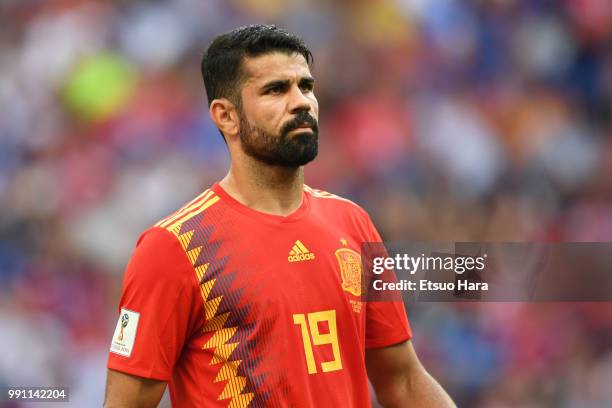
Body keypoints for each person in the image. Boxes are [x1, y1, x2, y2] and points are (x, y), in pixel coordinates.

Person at [104, 24, 455, 408]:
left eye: (305, 86)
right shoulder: (173, 247)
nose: (301, 101)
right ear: (226, 116)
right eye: (276, 90)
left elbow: (403, 380)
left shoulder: (352, 224)